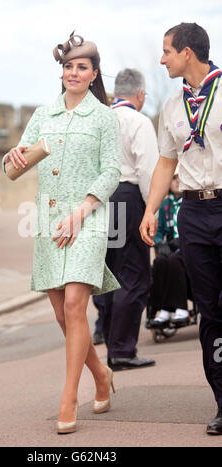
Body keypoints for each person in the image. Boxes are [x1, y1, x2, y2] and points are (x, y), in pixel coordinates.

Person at [2, 32, 121, 434]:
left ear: (93, 74)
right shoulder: (43, 115)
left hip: (87, 217)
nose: (73, 72)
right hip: (49, 219)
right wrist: (12, 156)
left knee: (75, 304)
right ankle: (101, 375)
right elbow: (13, 166)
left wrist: (84, 209)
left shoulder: (105, 117)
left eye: (81, 67)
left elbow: (111, 171)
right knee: (61, 312)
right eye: (68, 66)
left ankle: (70, 397)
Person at [140, 22, 222, 435]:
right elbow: (166, 163)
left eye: (167, 51)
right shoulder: (172, 107)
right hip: (192, 211)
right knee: (209, 308)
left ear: (187, 52)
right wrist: (151, 209)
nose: (162, 59)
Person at [95, 68, 159, 371]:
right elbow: (148, 170)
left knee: (108, 274)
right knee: (133, 274)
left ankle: (111, 343)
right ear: (140, 94)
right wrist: (152, 211)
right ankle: (122, 350)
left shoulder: (100, 120)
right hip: (128, 197)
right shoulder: (138, 121)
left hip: (100, 199)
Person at [150, 172, 190, 326]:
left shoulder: (188, 202)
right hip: (171, 247)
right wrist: (160, 243)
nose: (177, 181)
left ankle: (181, 308)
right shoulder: (165, 205)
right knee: (160, 261)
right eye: (173, 177)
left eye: (180, 177)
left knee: (174, 260)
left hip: (186, 248)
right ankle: (164, 309)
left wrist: (178, 242)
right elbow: (158, 232)